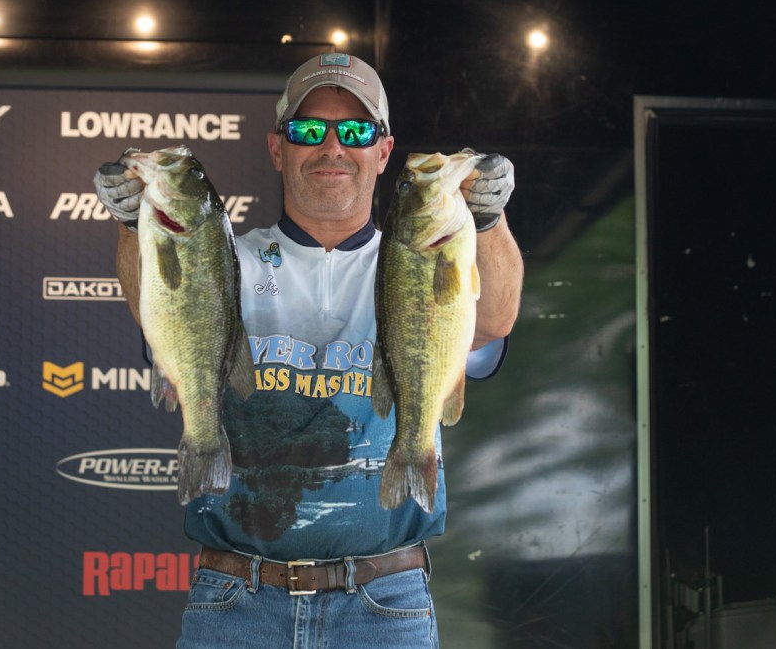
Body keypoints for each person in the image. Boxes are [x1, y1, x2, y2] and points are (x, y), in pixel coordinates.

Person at [94, 52, 523, 648]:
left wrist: (488, 221)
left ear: (383, 152)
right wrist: (131, 224)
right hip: (235, 600)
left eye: (356, 132)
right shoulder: (226, 256)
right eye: (307, 130)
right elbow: (158, 316)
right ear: (277, 148)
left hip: (384, 604)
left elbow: (493, 323)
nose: (332, 146)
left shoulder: (418, 257)